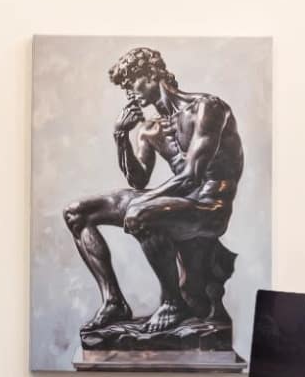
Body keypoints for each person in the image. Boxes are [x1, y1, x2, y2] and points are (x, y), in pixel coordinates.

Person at [62, 47, 246, 355]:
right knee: (77, 213)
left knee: (140, 213)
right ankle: (114, 301)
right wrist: (121, 135)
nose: (129, 93)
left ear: (150, 74)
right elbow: (138, 181)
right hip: (179, 200)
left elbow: (192, 174)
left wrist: (141, 206)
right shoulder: (150, 129)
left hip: (209, 207)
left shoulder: (206, 108)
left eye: (130, 83)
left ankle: (173, 303)